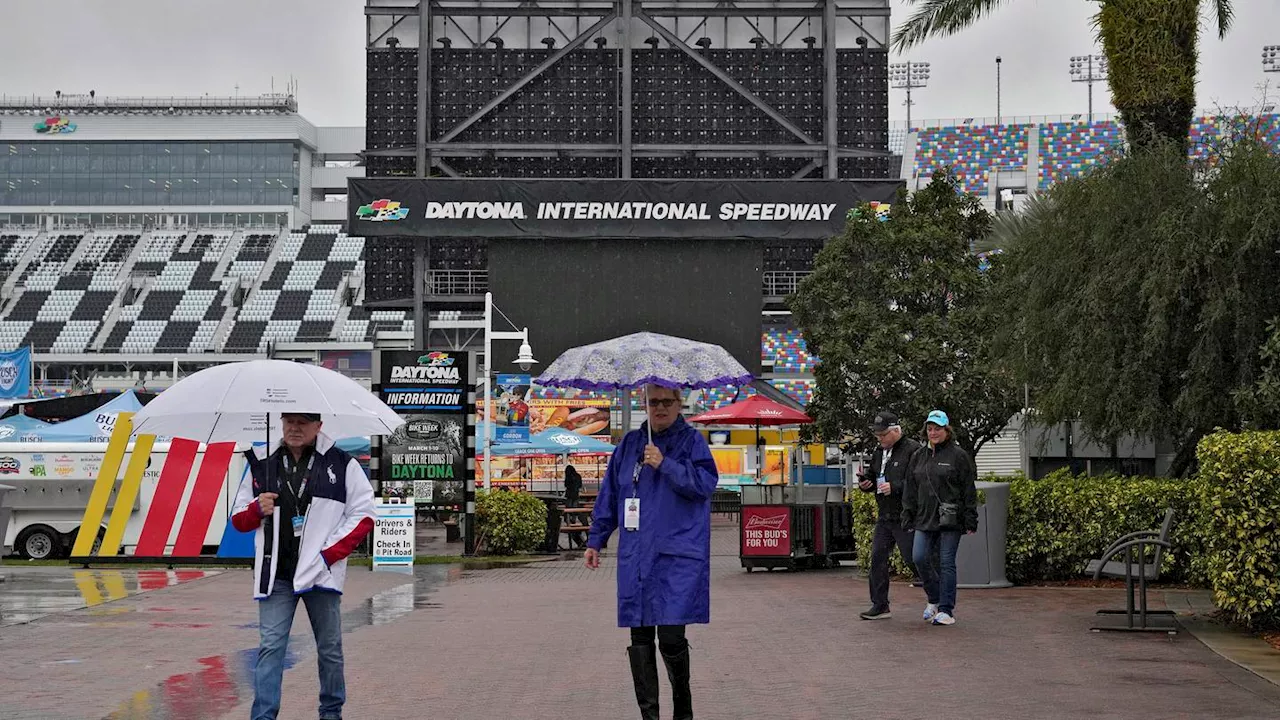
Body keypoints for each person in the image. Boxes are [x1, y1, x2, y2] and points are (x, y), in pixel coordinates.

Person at [584, 384, 719, 720]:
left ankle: (683, 711)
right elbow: (611, 495)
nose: (659, 408)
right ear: (645, 403)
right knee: (640, 636)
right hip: (637, 557)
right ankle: (650, 716)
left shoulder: (692, 442)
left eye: (666, 402)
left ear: (678, 405)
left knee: (672, 637)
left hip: (676, 556)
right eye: (653, 401)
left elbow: (704, 484)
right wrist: (595, 539)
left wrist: (666, 464)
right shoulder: (630, 443)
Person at [231, 412, 377, 720]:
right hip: (276, 576)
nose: (295, 428)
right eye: (290, 421)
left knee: (330, 649)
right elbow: (237, 518)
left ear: (318, 426)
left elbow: (364, 514)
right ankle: (263, 716)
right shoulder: (261, 462)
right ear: (281, 422)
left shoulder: (342, 463)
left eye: (304, 422)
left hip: (319, 575)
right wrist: (257, 509)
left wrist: (327, 555)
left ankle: (331, 713)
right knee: (271, 648)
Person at [901, 410, 978, 627]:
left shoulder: (958, 456)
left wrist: (970, 517)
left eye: (937, 428)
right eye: (930, 428)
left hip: (950, 519)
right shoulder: (918, 456)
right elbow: (910, 487)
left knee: (946, 563)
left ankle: (946, 609)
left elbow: (968, 489)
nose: (933, 432)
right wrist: (907, 514)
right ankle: (933, 598)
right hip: (924, 518)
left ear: (947, 430)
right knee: (918, 557)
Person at [856, 411, 921, 620]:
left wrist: (895, 487)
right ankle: (880, 604)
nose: (880, 439)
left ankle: (938, 600)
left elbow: (918, 482)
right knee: (877, 558)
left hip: (905, 515)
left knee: (915, 559)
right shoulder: (879, 451)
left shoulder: (913, 450)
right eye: (878, 435)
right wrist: (866, 483)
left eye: (884, 434)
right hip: (885, 515)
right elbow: (874, 476)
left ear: (896, 431)